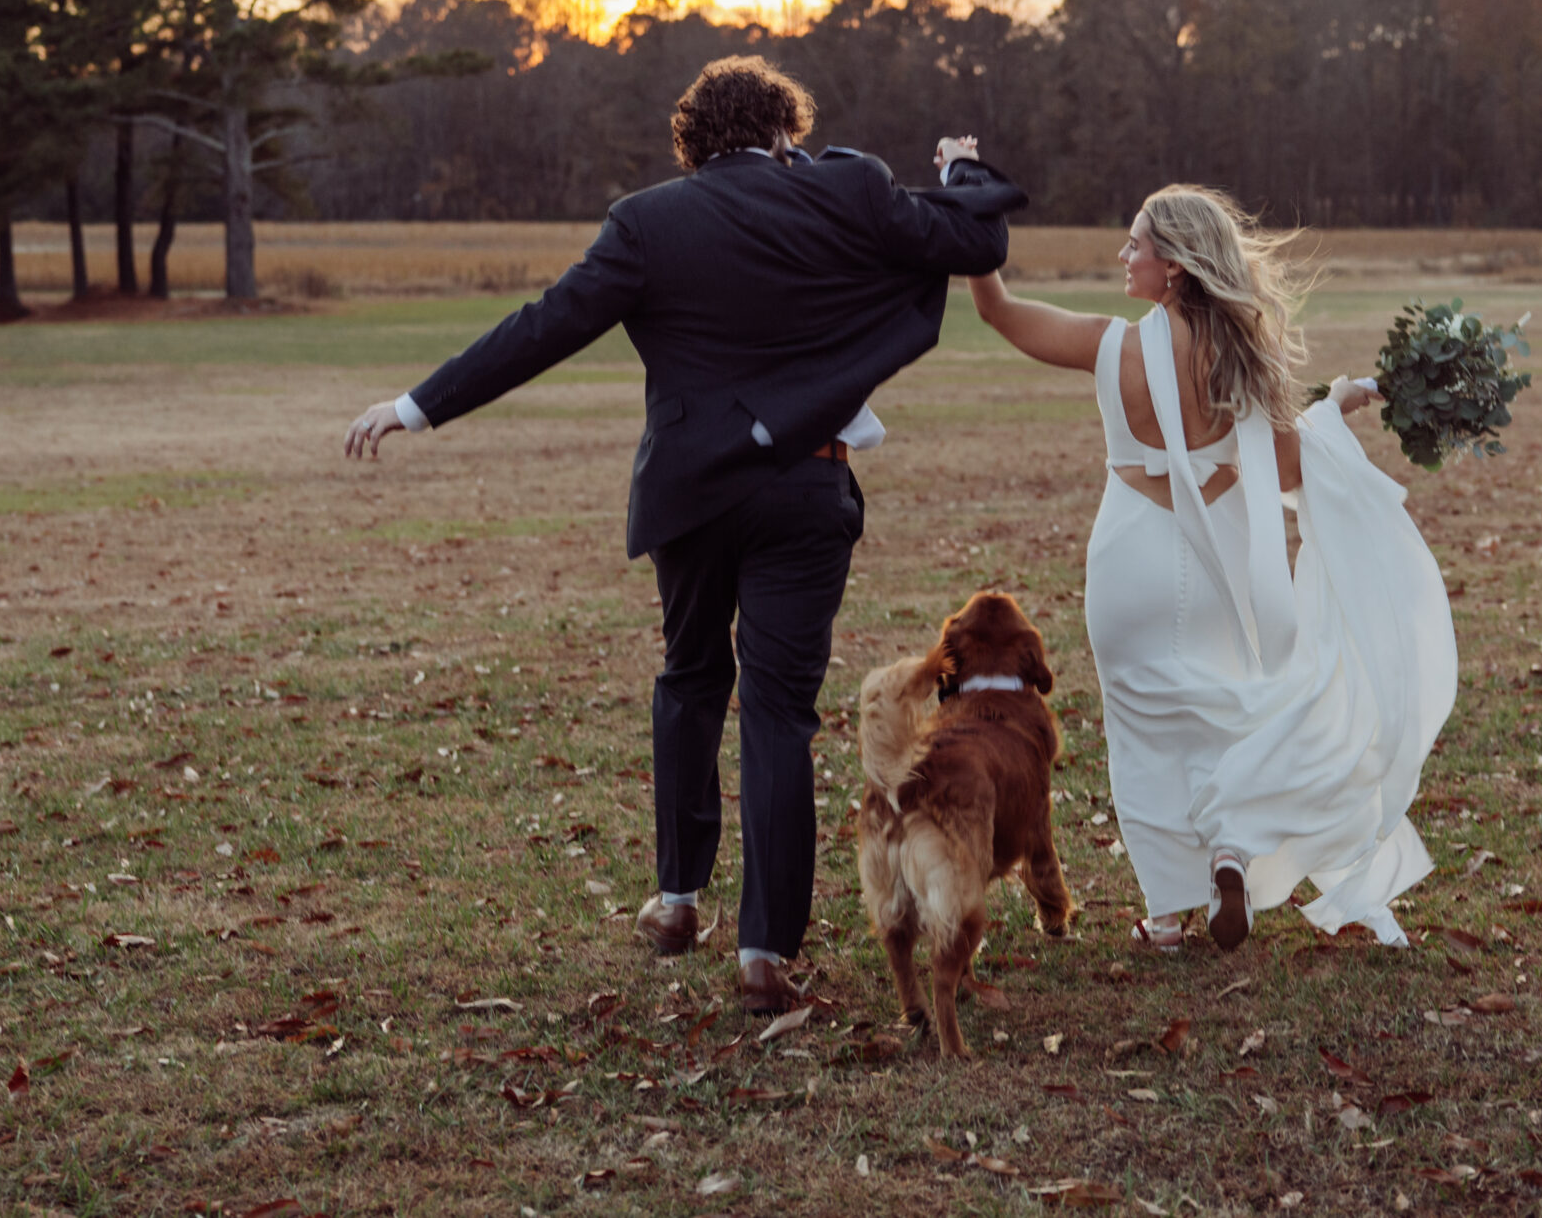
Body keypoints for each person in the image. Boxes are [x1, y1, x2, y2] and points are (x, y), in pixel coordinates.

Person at [345, 57, 1027, 1012]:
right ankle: (763, 955)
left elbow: (544, 326)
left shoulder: (648, 221)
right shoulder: (849, 191)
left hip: (691, 495)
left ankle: (675, 898)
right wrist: (957, 169)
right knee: (780, 715)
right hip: (806, 485)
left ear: (694, 142)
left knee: (690, 676)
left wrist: (418, 405)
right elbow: (968, 233)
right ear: (785, 129)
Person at [967, 184, 1456, 952]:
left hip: (1130, 557)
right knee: (1230, 713)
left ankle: (1165, 914)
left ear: (1176, 266)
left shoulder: (1111, 346)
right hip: (1219, 562)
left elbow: (995, 309)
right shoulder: (1245, 368)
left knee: (1144, 734)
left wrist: (970, 207)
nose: (1123, 255)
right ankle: (1230, 845)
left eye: (1137, 244)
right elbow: (1290, 461)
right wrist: (1344, 399)